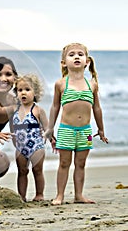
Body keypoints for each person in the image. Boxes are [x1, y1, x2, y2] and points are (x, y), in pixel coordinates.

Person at [44, 43, 108, 205]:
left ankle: (79, 195)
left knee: (81, 163)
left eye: (80, 54)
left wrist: (101, 129)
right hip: (66, 130)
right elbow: (55, 106)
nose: (77, 57)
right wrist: (50, 128)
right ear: (64, 62)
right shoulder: (61, 84)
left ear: (87, 61)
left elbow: (97, 108)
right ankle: (60, 195)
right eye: (72, 54)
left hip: (85, 130)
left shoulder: (91, 84)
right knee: (64, 163)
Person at [0, 74, 49, 202]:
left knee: (37, 170)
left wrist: (50, 138)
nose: (23, 93)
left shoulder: (37, 110)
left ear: (35, 92)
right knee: (22, 171)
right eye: (20, 90)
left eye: (27, 89)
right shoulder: (14, 109)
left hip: (36, 146)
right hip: (20, 147)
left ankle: (39, 194)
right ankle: (22, 196)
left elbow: (48, 128)